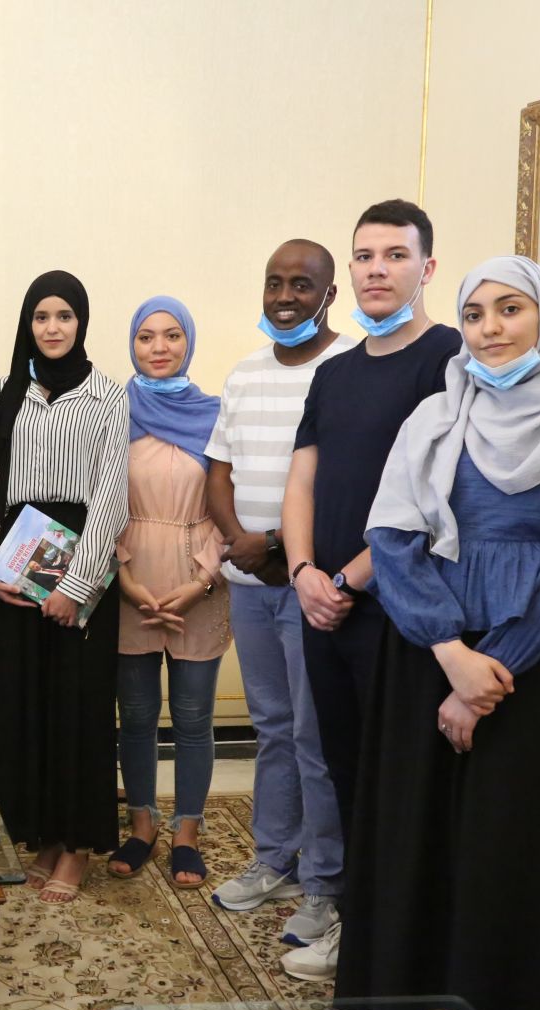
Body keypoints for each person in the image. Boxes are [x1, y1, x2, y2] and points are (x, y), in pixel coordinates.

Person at [338, 256, 540, 1010]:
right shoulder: (436, 415)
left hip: (527, 668)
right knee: (414, 836)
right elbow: (392, 537)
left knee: (500, 852)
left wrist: (484, 675)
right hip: (423, 649)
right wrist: (448, 652)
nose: (491, 329)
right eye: (474, 314)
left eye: (510, 309)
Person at [279, 200, 459, 981]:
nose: (376, 269)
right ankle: (357, 929)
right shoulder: (334, 372)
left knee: (398, 783)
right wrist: (303, 574)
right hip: (324, 608)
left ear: (427, 267)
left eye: (395, 254)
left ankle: (399, 948)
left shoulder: (448, 359)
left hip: (400, 608)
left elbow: (433, 494)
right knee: (346, 769)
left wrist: (347, 578)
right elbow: (302, 480)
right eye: (364, 256)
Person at [205, 241, 355, 946]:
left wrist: (278, 548)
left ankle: (324, 883)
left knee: (313, 734)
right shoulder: (243, 374)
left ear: (330, 294)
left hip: (314, 584)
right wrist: (240, 539)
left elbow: (349, 485)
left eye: (301, 284)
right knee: (270, 728)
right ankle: (274, 859)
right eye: (274, 282)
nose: (285, 296)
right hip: (250, 586)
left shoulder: (348, 369)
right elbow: (218, 470)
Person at [0, 270, 127, 904]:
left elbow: (112, 495)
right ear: (27, 324)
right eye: (42, 317)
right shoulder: (3, 392)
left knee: (77, 709)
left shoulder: (108, 396)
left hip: (79, 562)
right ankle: (40, 834)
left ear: (81, 323)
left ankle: (77, 845)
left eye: (65, 316)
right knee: (26, 707)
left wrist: (78, 585)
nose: (53, 328)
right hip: (17, 563)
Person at [106, 296, 228, 889]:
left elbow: (232, 506)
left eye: (172, 335)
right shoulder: (112, 413)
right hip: (128, 578)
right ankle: (142, 823)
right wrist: (124, 579)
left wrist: (202, 580)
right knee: (134, 714)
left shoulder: (217, 415)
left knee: (194, 716)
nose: (159, 347)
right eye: (146, 336)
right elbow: (98, 500)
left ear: (189, 342)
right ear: (132, 344)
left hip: (199, 580)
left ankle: (186, 833)